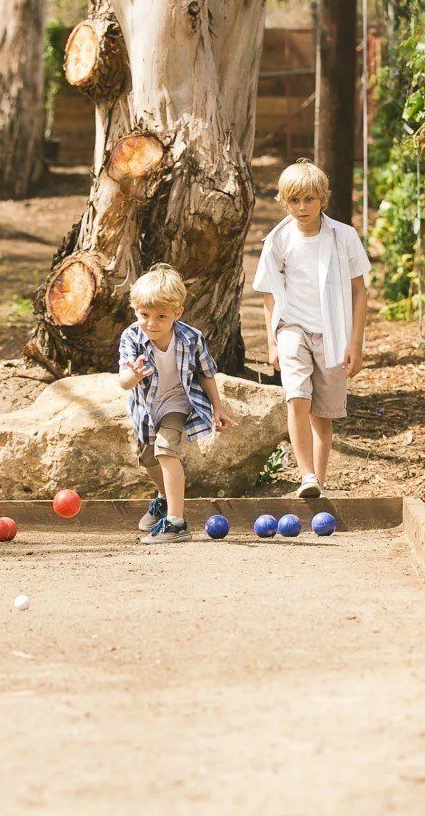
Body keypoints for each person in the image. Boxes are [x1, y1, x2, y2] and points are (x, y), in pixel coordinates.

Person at [252, 159, 371, 498]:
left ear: (322, 199)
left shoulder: (343, 237)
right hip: (292, 328)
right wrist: (272, 341)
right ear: (284, 201)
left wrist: (356, 344)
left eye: (309, 199)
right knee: (296, 397)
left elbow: (359, 292)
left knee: (323, 414)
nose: (302, 208)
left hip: (333, 333)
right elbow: (269, 293)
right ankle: (306, 474)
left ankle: (317, 481)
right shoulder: (278, 240)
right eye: (294, 200)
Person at [118, 263, 233, 544]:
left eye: (161, 316)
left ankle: (176, 523)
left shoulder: (191, 338)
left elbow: (206, 373)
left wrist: (218, 407)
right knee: (147, 458)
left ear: (177, 313)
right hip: (146, 408)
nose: (152, 323)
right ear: (135, 310)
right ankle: (163, 499)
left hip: (178, 403)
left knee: (166, 449)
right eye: (144, 315)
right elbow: (124, 382)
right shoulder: (131, 337)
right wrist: (134, 375)